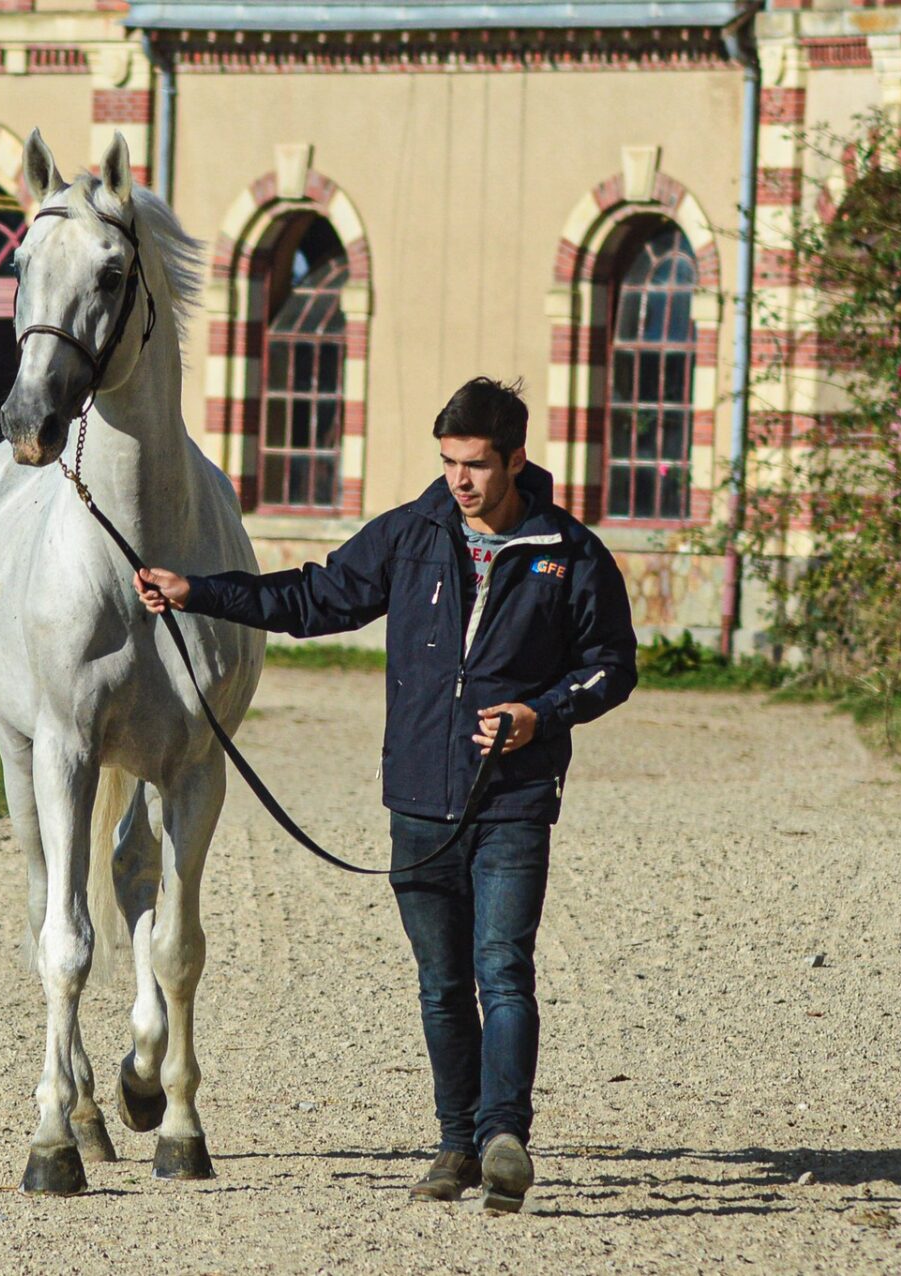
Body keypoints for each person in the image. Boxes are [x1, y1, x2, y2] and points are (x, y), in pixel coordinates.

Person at [134, 376, 637, 1211]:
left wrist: (540, 714)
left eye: (477, 464)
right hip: (417, 800)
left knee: (503, 970)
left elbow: (612, 667)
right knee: (441, 984)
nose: (460, 481)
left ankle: (503, 1139)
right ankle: (455, 1147)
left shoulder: (569, 552)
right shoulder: (411, 534)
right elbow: (311, 598)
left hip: (514, 799)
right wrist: (199, 591)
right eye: (449, 462)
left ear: (516, 459)